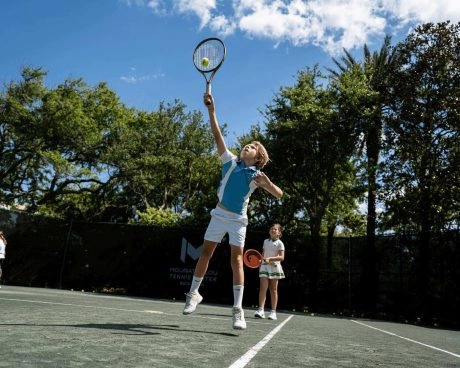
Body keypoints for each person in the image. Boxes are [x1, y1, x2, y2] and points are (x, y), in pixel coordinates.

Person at [183, 92, 283, 330]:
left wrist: (268, 184)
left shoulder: (256, 176)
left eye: (251, 147)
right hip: (219, 214)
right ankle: (193, 294)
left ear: (257, 158)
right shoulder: (229, 161)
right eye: (246, 145)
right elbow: (217, 134)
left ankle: (238, 311)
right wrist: (211, 109)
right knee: (205, 253)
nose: (245, 146)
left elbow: (279, 194)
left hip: (238, 220)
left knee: (236, 260)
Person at [254, 223, 285, 321]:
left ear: (279, 233)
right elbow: (263, 255)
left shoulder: (280, 243)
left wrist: (270, 259)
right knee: (263, 288)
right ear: (269, 231)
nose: (273, 230)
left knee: (273, 289)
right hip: (264, 267)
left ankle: (273, 312)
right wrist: (260, 261)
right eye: (271, 229)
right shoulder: (265, 242)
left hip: (275, 267)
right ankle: (261, 310)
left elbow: (281, 257)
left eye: (275, 229)